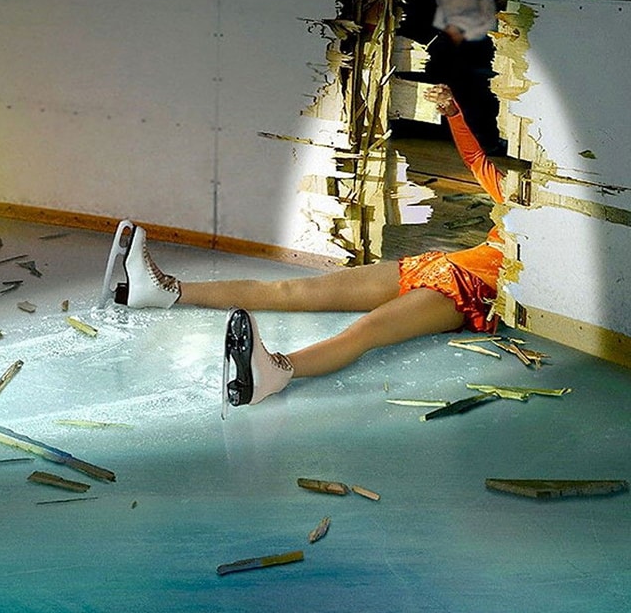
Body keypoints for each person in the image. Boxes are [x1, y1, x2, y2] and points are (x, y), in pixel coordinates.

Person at [100, 83, 505, 408]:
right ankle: (163, 291)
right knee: (292, 290)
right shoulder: (517, 196)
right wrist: (453, 111)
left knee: (366, 332)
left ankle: (276, 372)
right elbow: (475, 159)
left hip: (466, 294)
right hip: (435, 266)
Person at [426, 0, 502, 154]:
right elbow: (440, 21)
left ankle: (482, 136)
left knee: (457, 64)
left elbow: (490, 22)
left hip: (480, 42)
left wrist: (464, 33)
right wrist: (451, 31)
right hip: (453, 44)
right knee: (443, 55)